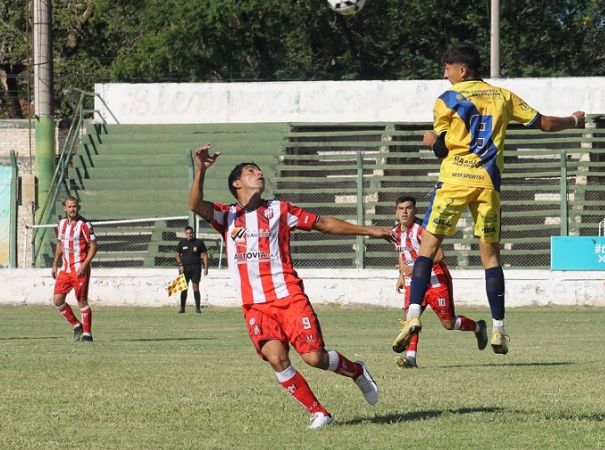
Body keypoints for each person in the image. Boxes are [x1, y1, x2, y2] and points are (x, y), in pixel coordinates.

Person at [392, 41, 585, 355]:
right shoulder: (503, 96)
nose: (445, 74)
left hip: (454, 180)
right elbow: (545, 124)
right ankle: (498, 328)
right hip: (487, 183)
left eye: (447, 68)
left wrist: (431, 142)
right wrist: (575, 120)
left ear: (462, 69)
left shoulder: (446, 100)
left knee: (428, 249)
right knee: (491, 258)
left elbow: (442, 149)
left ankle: (413, 314)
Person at [188, 143, 393, 429]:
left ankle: (357, 371)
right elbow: (196, 205)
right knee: (276, 358)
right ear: (237, 183)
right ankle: (319, 412)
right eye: (251, 171)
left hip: (288, 298)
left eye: (259, 171)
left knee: (314, 357)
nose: (259, 174)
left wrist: (371, 230)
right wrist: (201, 170)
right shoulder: (227, 216)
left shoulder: (279, 210)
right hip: (255, 305)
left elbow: (324, 224)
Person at [392, 196, 487, 367]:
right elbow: (401, 253)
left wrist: (414, 269)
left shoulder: (422, 229)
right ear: (396, 212)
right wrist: (401, 275)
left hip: (435, 279)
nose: (405, 212)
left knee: (449, 323)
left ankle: (478, 327)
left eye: (408, 208)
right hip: (413, 282)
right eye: (401, 208)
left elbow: (439, 255)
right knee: (410, 319)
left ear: (415, 210)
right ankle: (411, 358)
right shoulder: (396, 233)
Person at [51, 196, 97, 342]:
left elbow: (94, 246)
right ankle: (77, 326)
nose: (73, 209)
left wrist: (85, 264)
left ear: (79, 207)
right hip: (65, 269)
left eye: (75, 206)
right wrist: (55, 263)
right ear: (65, 208)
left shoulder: (85, 225)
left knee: (82, 300)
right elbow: (60, 245)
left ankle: (87, 335)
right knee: (58, 300)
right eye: (70, 207)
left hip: (79, 269)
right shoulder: (62, 224)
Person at [175, 226, 208, 313]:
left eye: (190, 233)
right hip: (184, 268)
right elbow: (177, 255)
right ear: (185, 234)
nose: (189, 235)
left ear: (193, 233)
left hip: (196, 267)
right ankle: (182, 308)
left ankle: (198, 309)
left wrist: (206, 268)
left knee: (195, 287)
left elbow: (204, 255)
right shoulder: (182, 243)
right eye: (187, 233)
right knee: (184, 288)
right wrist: (180, 265)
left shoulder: (199, 242)